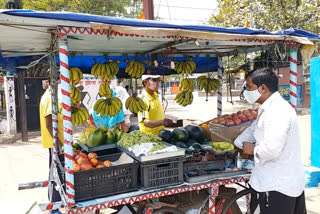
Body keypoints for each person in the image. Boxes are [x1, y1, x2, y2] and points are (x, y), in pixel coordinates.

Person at [234, 68, 306, 214]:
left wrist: (252, 150)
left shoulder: (278, 111)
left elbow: (271, 150)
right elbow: (251, 132)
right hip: (279, 183)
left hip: (275, 187)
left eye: (249, 87)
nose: (246, 91)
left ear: (262, 88)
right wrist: (238, 142)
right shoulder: (267, 109)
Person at [39, 81, 64, 214]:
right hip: (54, 144)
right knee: (56, 175)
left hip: (56, 143)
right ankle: (54, 207)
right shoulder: (49, 98)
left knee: (56, 174)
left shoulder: (51, 97)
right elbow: (49, 124)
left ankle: (55, 203)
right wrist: (59, 144)